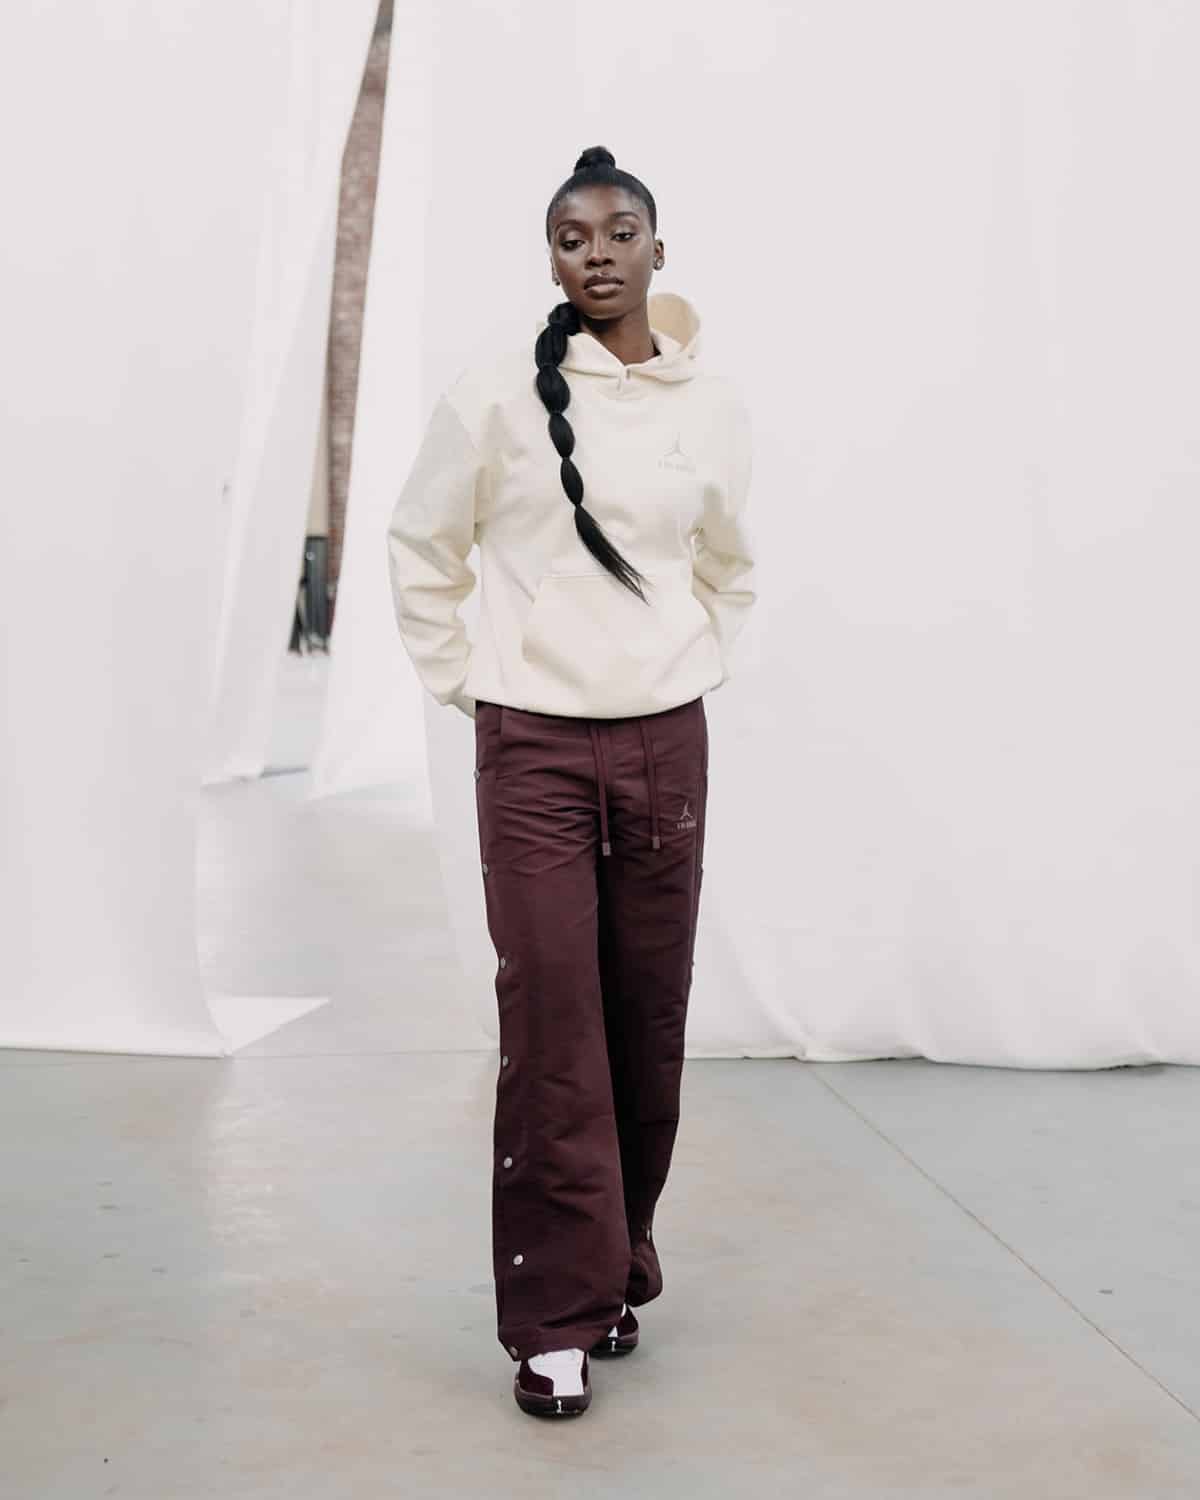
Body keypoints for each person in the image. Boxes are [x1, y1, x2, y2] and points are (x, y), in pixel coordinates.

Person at [385, 145, 756, 1418]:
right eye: (571, 236)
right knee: (552, 1028)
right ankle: (552, 1318)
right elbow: (422, 545)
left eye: (619, 231)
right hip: (534, 746)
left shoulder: (712, 405)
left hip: (665, 743)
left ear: (659, 247)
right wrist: (476, 682)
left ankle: (616, 1266)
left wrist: (687, 657)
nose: (596, 252)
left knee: (647, 1021)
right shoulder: (494, 394)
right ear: (551, 258)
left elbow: (731, 563)